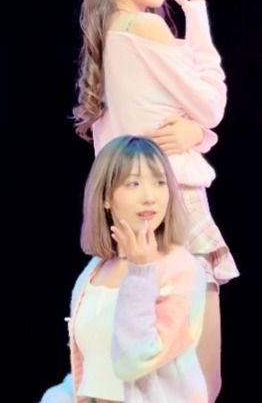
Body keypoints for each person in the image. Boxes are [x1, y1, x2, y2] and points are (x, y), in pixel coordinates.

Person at [49, 0, 238, 401]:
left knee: (144, 368)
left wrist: (197, 135)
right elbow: (211, 103)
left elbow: (154, 128)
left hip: (127, 211)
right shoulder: (145, 28)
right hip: (173, 202)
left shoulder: (108, 34)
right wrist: (197, 19)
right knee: (197, 377)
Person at [67, 135, 207, 403]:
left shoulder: (180, 268)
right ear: (106, 197)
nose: (149, 197)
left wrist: (141, 271)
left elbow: (134, 360)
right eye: (133, 183)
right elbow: (92, 370)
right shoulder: (94, 270)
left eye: (160, 183)